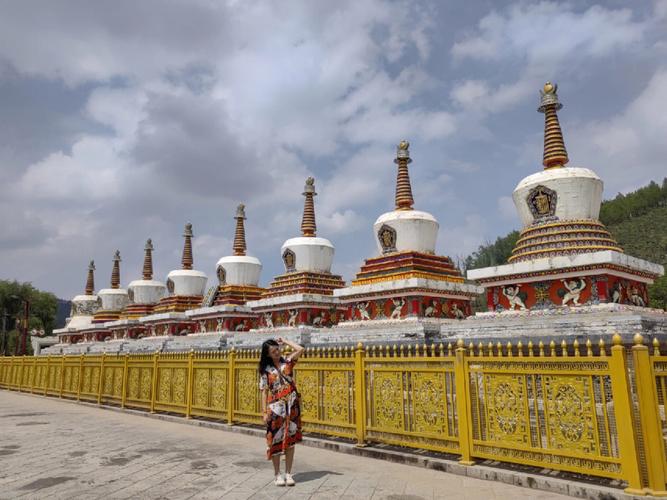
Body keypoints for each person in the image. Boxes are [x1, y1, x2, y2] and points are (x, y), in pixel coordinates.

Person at [259, 337, 305, 487]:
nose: (277, 352)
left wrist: (285, 341)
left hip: (291, 407)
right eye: (273, 351)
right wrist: (264, 412)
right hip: (275, 409)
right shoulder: (266, 371)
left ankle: (288, 473)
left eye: (277, 349)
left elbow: (300, 349)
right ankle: (277, 474)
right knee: (275, 441)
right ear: (268, 355)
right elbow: (264, 392)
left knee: (291, 441)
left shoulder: (288, 363)